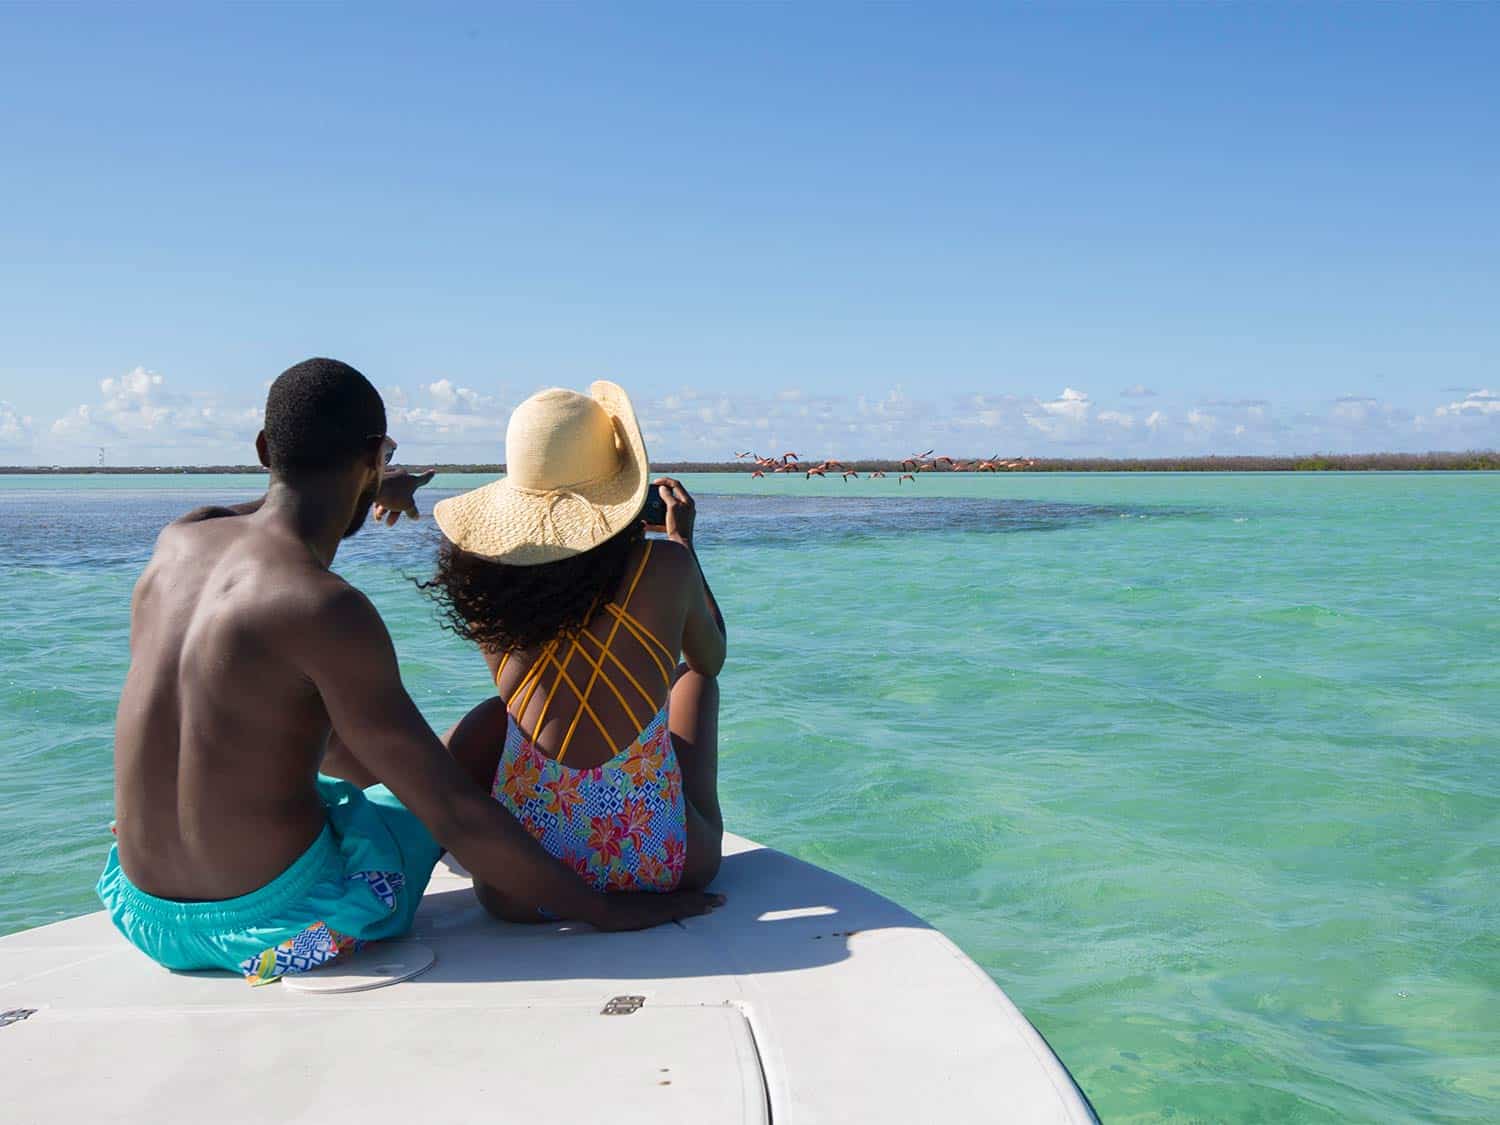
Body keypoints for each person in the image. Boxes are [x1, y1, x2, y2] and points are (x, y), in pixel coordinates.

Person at [96, 358, 720, 985]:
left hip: (144, 914)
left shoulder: (180, 537)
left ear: (265, 450)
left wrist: (369, 478)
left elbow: (275, 507)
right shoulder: (325, 607)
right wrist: (602, 911)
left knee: (353, 725)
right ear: (374, 457)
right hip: (286, 932)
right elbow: (452, 812)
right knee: (444, 773)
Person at [420, 381, 726, 921]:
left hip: (519, 885)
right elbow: (711, 656)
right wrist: (683, 546)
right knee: (694, 680)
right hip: (668, 862)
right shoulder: (666, 567)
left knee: (499, 714)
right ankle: (670, 819)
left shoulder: (484, 581)